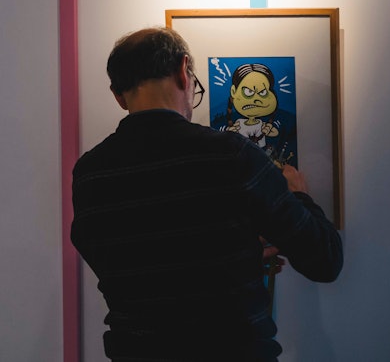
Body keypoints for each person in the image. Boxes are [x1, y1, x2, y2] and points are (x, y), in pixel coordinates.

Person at [71, 27, 343, 362]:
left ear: (119, 96)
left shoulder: (90, 175)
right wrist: (299, 195)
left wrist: (233, 251)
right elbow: (325, 260)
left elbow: (138, 266)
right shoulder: (232, 156)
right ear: (183, 70)